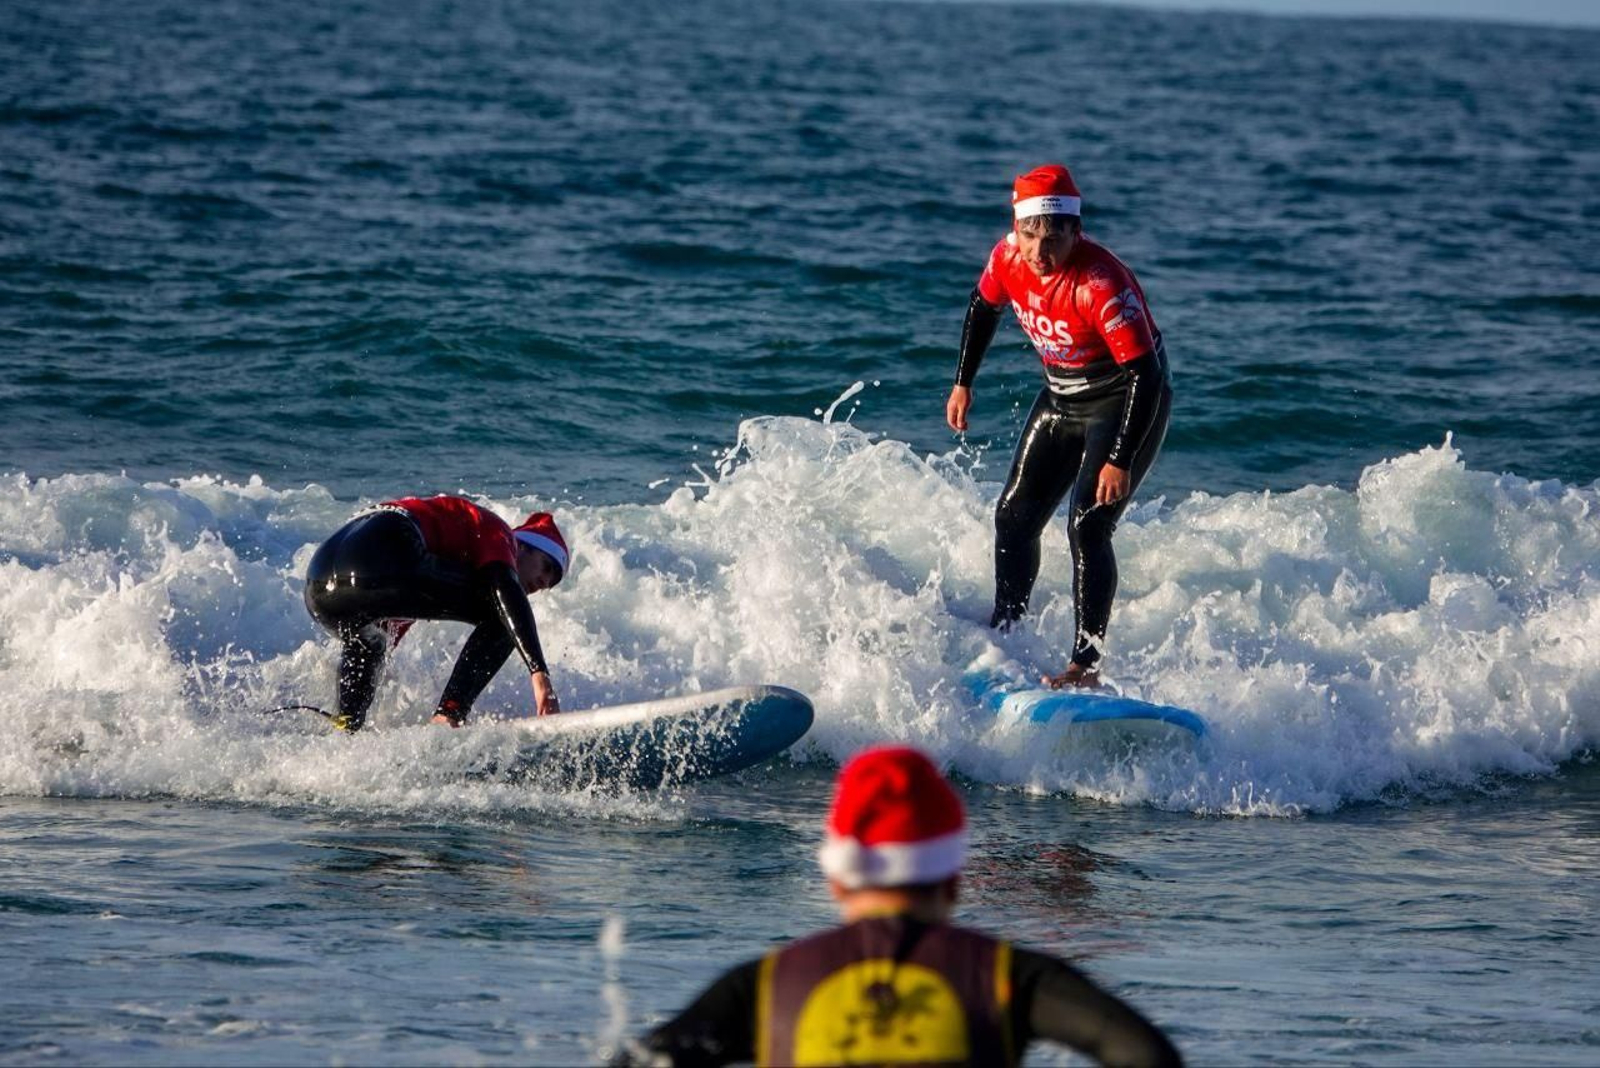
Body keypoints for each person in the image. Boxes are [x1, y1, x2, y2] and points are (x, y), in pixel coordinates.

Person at [620, 746, 1182, 1068]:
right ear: (954, 880)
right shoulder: (1004, 979)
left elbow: (642, 1061)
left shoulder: (767, 987)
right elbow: (1146, 1055)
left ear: (838, 879)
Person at [947, 164, 1172, 689]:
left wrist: (1119, 456)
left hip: (1124, 404)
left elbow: (1146, 376)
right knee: (1012, 517)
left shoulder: (1101, 284)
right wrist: (963, 382)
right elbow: (983, 308)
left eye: (1054, 237)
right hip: (1063, 399)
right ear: (1016, 227)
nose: (1040, 252)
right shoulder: (1007, 257)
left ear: (1076, 230)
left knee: (1088, 528)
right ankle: (1007, 630)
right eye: (1030, 234)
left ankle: (1085, 667)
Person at [302, 494, 569, 731]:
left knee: (371, 643)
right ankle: (449, 715)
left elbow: (379, 640)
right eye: (546, 567)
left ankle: (346, 726)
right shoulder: (499, 532)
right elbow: (503, 586)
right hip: (385, 549)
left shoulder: (430, 567)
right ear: (521, 545)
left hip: (321, 588)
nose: (544, 583)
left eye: (552, 582)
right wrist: (539, 674)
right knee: (502, 612)